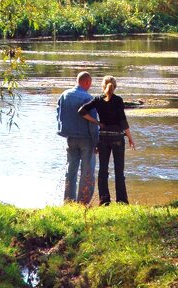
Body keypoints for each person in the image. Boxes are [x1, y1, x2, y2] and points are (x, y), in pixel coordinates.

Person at [79, 75, 135, 205]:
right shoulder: (118, 100)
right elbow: (123, 121)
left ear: (103, 87)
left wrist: (97, 122)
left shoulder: (98, 99)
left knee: (103, 170)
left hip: (103, 138)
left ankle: (104, 201)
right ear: (115, 87)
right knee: (119, 170)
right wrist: (130, 138)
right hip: (117, 138)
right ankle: (122, 201)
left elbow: (81, 111)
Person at [56, 70, 99, 204]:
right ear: (86, 82)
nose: (90, 86)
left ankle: (68, 201)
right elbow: (92, 122)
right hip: (86, 139)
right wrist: (97, 142)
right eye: (90, 83)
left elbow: (58, 114)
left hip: (70, 138)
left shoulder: (64, 95)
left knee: (71, 170)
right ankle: (83, 202)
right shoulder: (88, 99)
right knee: (87, 172)